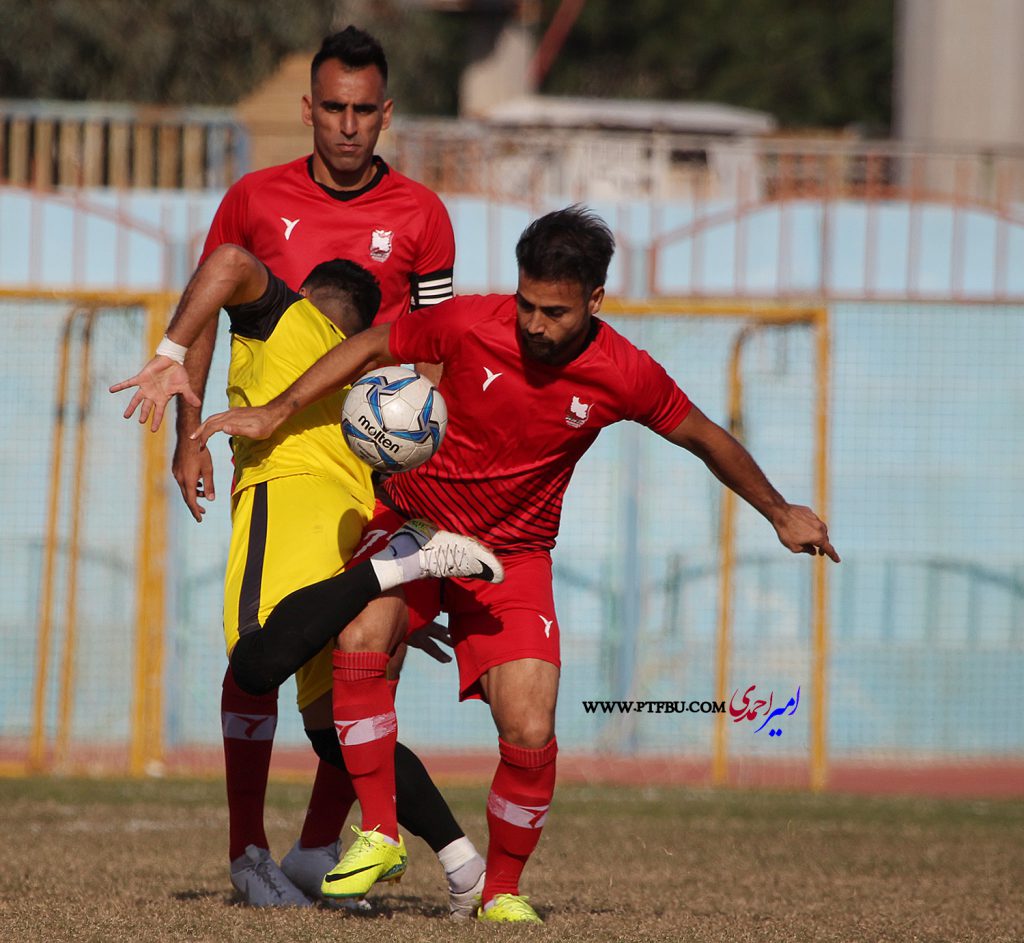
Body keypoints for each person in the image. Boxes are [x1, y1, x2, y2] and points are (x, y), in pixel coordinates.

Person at [192, 206, 840, 922]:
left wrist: (778, 511)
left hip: (513, 554)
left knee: (530, 726)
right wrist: (278, 409)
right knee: (359, 636)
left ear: (595, 300)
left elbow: (704, 435)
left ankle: (498, 889)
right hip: (416, 522)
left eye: (555, 312)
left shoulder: (624, 371)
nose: (534, 323)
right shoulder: (472, 322)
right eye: (527, 303)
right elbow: (378, 341)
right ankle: (378, 830)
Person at [170, 25, 484, 913]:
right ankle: (356, 857)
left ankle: (288, 854)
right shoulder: (254, 201)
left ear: (386, 114)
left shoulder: (422, 215)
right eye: (333, 109)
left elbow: (435, 352)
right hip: (277, 460)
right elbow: (213, 305)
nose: (348, 126)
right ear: (309, 110)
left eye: (364, 111)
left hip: (370, 481)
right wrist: (188, 436)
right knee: (318, 685)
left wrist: (421, 472)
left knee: (342, 676)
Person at [110, 244, 499, 909]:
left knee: (254, 666)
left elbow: (230, 259)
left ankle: (249, 857)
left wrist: (171, 354)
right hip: (342, 532)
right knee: (332, 735)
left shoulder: (286, 319)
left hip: (284, 509)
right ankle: (467, 867)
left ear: (310, 295)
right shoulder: (361, 384)